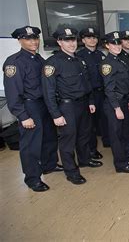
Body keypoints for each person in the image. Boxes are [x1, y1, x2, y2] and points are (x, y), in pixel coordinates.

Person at [3, 26, 62, 192]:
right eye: (28, 39)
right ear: (20, 40)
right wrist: (23, 116)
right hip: (30, 106)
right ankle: (32, 178)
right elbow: (13, 93)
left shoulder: (39, 60)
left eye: (35, 38)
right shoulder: (14, 63)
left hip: (44, 105)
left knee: (49, 138)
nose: (33, 42)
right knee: (31, 144)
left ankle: (49, 165)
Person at [42, 27, 102, 185]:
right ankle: (71, 171)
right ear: (59, 42)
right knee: (68, 140)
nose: (71, 44)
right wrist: (56, 115)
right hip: (66, 107)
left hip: (83, 104)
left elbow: (87, 83)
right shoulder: (52, 63)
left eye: (73, 40)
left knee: (84, 135)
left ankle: (84, 160)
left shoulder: (79, 60)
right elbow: (48, 92)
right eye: (67, 40)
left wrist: (90, 102)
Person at [100, 31, 129, 173]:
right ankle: (120, 164)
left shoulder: (120, 60)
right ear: (107, 45)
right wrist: (116, 108)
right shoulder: (107, 64)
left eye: (118, 43)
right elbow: (109, 89)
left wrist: (128, 100)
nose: (117, 46)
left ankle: (127, 157)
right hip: (114, 104)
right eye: (113, 44)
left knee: (125, 133)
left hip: (124, 100)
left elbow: (125, 84)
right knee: (116, 135)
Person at [76, 27, 107, 160]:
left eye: (94, 37)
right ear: (83, 40)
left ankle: (107, 142)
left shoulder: (101, 55)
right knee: (89, 126)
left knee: (104, 120)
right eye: (88, 37)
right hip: (90, 95)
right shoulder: (79, 57)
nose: (92, 40)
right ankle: (91, 150)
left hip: (103, 93)